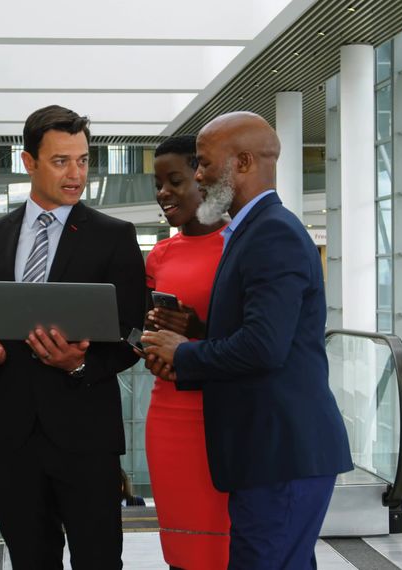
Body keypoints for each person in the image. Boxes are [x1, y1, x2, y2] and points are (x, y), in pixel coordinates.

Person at [142, 112, 353, 569]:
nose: (199, 175)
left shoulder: (271, 232)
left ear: (242, 163)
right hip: (271, 452)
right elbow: (264, 335)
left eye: (204, 163)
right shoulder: (252, 230)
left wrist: (184, 353)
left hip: (279, 453)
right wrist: (196, 331)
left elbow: (264, 347)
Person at [0, 105, 145, 569]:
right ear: (28, 162)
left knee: (99, 562)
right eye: (61, 161)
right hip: (12, 440)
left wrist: (79, 364)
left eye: (83, 160)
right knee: (30, 561)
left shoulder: (115, 236)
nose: (76, 174)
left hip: (87, 439)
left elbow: (134, 334)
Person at [142, 135, 230, 570]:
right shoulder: (158, 255)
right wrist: (150, 345)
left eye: (174, 181)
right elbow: (146, 330)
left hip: (224, 412)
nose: (163, 193)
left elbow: (259, 338)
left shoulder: (239, 244)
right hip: (168, 412)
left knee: (226, 545)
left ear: (203, 178)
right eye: (158, 185)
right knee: (181, 548)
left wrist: (197, 332)